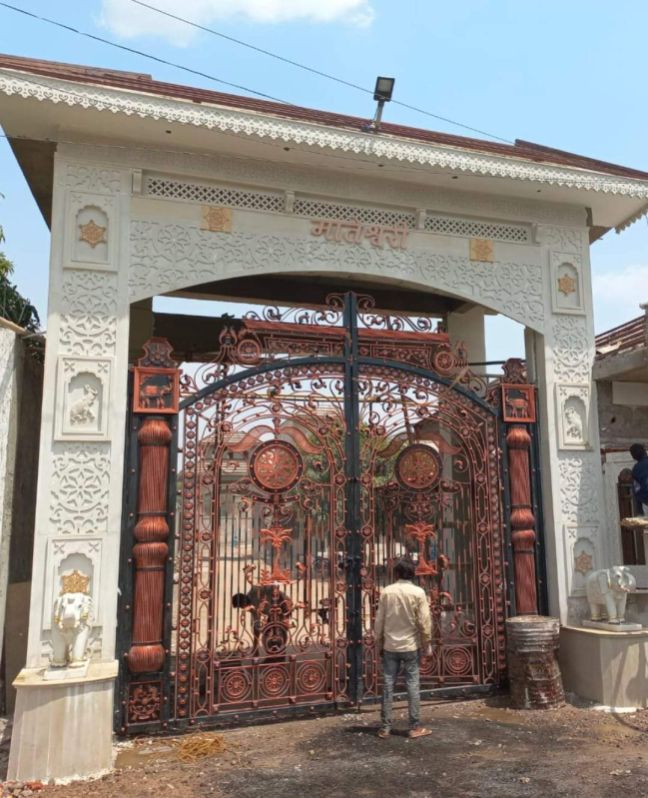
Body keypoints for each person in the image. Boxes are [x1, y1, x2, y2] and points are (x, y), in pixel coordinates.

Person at [374, 558, 433, 739]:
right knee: (412, 684)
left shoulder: (387, 592)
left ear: (397, 573)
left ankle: (385, 727)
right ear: (413, 574)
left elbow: (380, 621)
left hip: (390, 645)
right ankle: (414, 726)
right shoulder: (418, 592)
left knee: (388, 685)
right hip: (410, 645)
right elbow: (424, 622)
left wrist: (378, 642)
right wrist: (427, 644)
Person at [232, 584, 292, 656]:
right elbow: (256, 623)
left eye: (242, 606)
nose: (243, 608)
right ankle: (275, 651)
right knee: (270, 630)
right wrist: (255, 646)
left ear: (243, 602)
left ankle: (280, 650)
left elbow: (271, 587)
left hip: (283, 605)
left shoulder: (254, 591)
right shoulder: (251, 604)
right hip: (272, 612)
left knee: (281, 629)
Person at [630, 443, 648, 515]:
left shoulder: (636, 469)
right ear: (645, 451)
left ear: (634, 457)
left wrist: (639, 510)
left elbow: (636, 490)